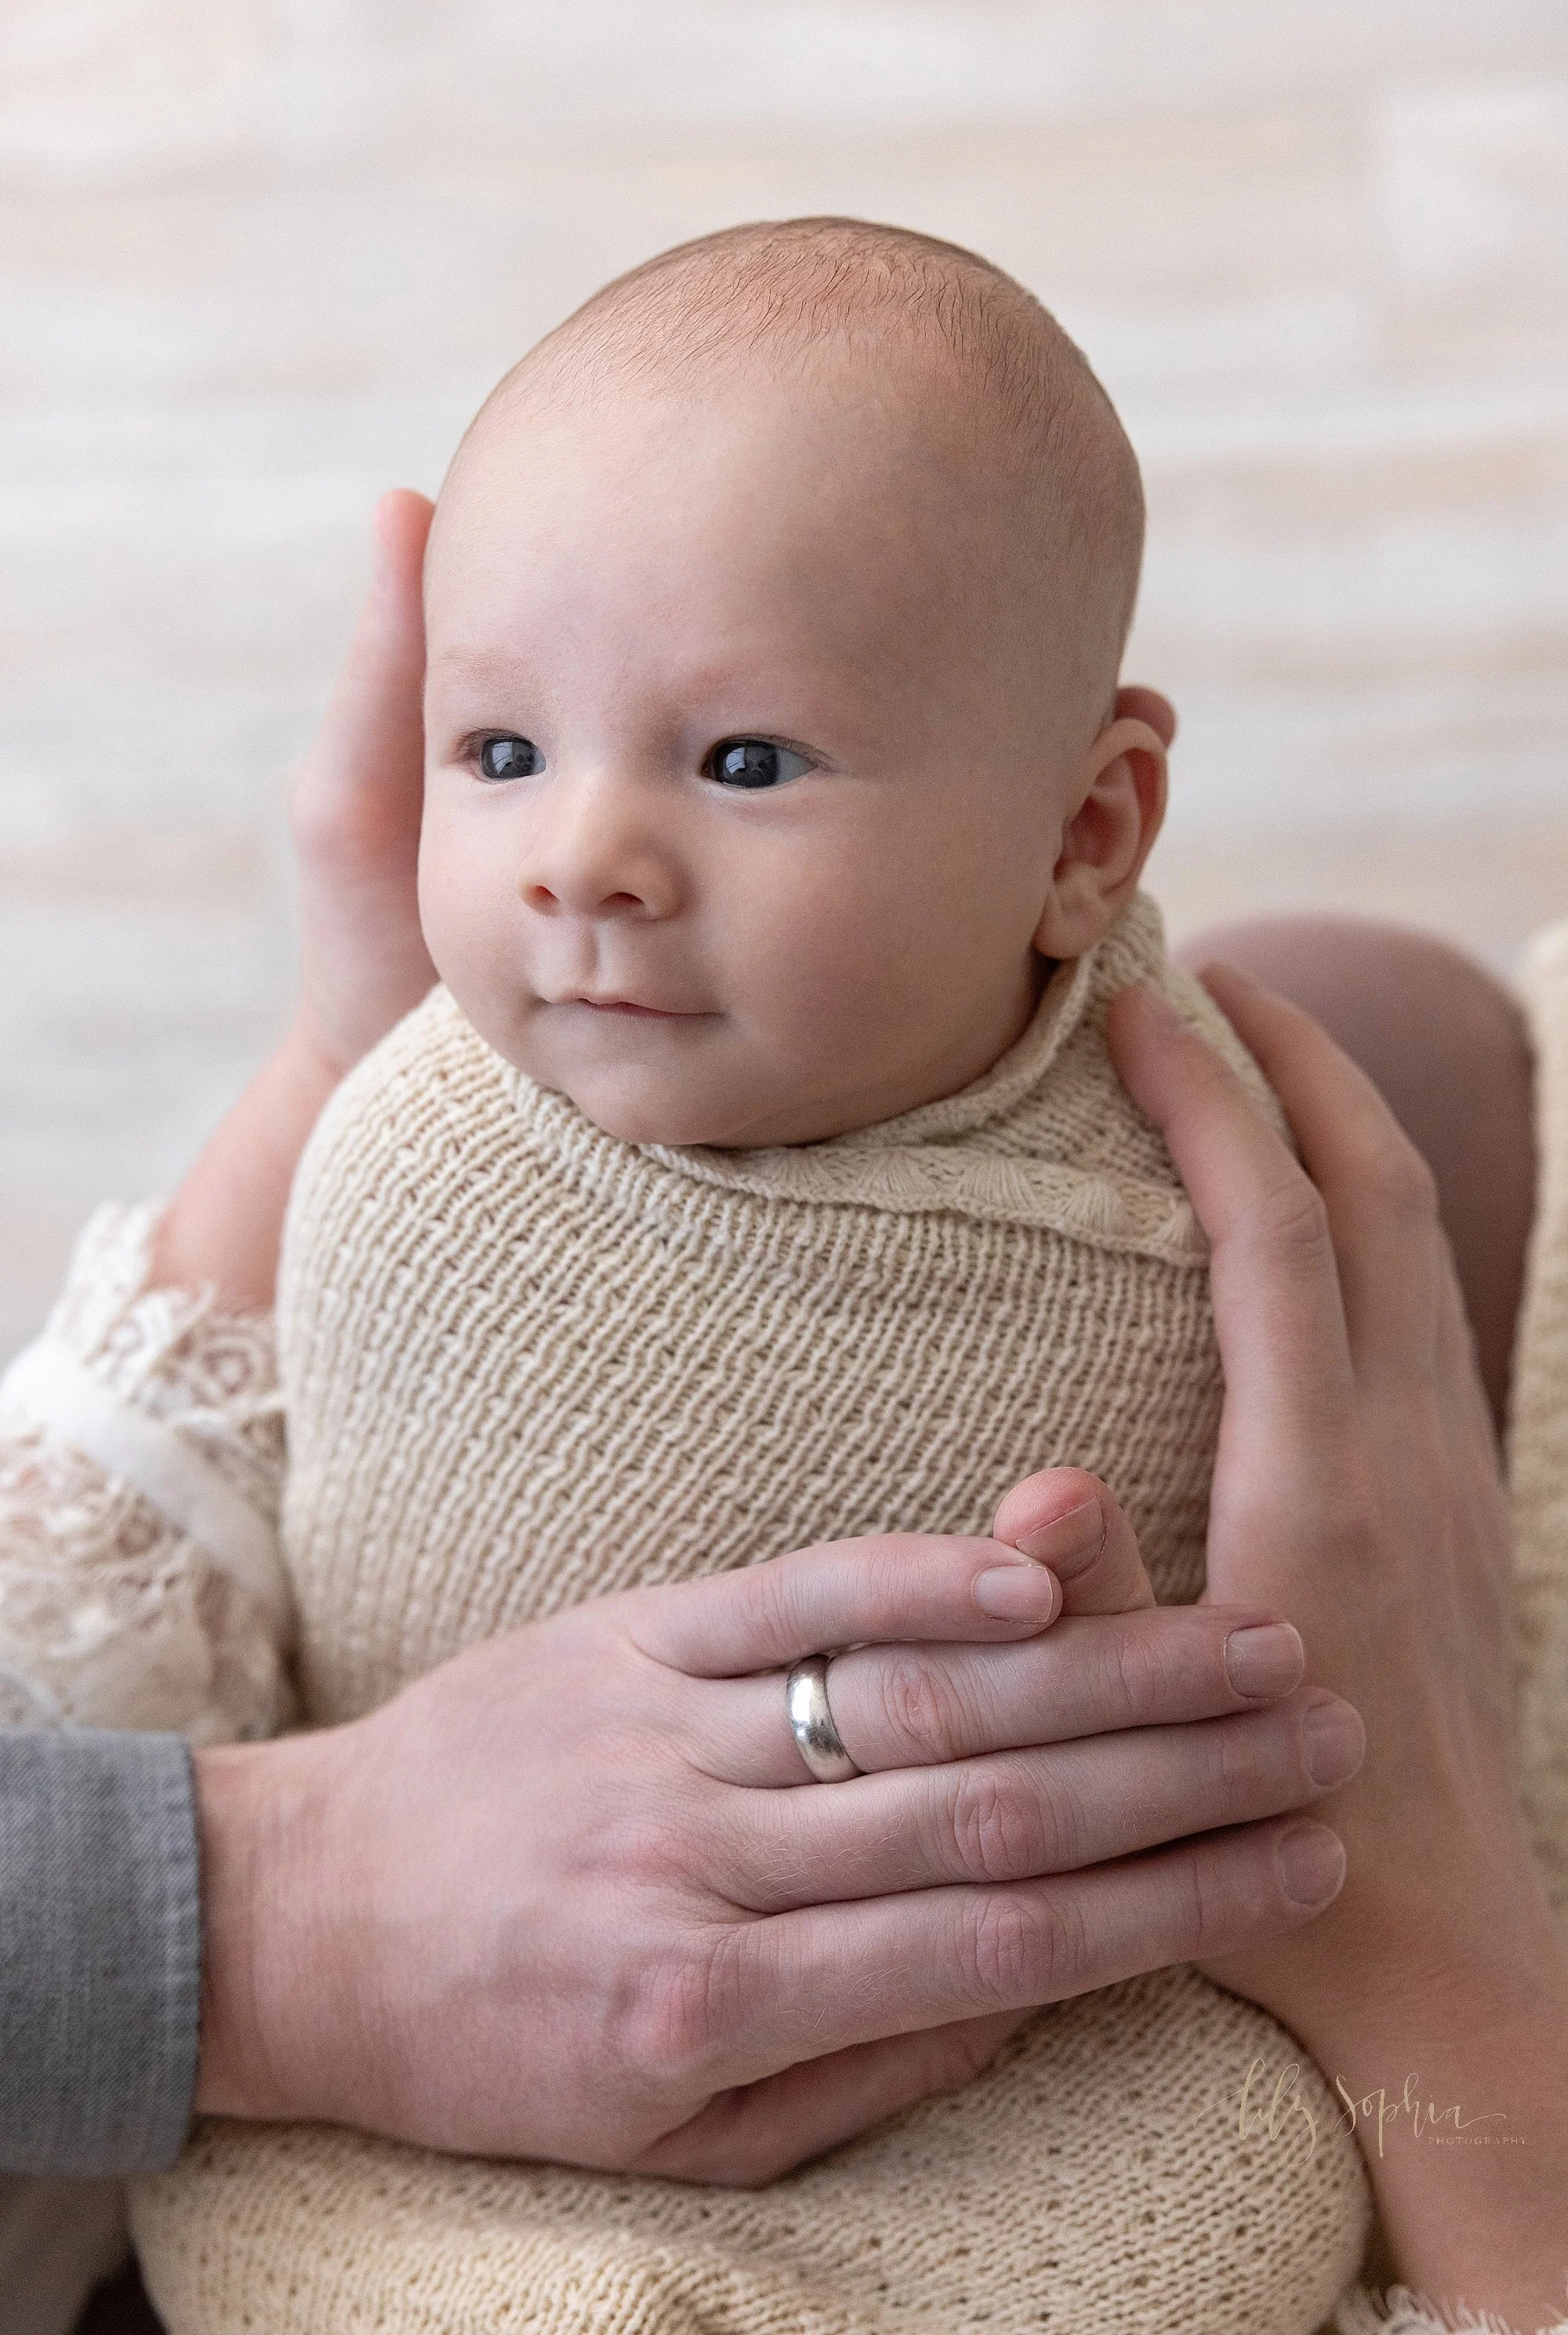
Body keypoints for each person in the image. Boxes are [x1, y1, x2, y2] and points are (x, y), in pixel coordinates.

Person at [0, 220, 1562, 2327]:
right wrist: (1451, 1952)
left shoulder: (1137, 1187)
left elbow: (104, 1619)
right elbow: (227, 1590)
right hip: (425, 2176)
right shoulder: (422, 1164)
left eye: (738, 761)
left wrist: (317, 1061)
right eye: (503, 754)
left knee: (1391, 1023)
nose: (580, 857)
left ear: (1088, 837)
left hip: (1035, 2088)